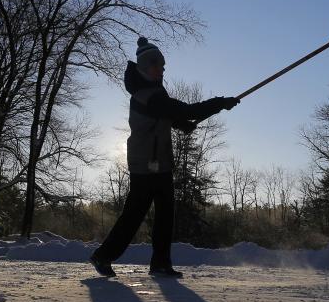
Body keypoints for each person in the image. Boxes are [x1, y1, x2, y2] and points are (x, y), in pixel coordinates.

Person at [90, 37, 239, 278]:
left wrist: (182, 125)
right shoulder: (146, 94)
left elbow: (168, 115)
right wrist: (219, 103)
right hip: (144, 165)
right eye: (156, 66)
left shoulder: (154, 92)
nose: (161, 70)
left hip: (159, 163)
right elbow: (182, 109)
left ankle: (160, 263)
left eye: (162, 66)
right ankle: (102, 256)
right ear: (144, 67)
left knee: (165, 215)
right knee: (134, 215)